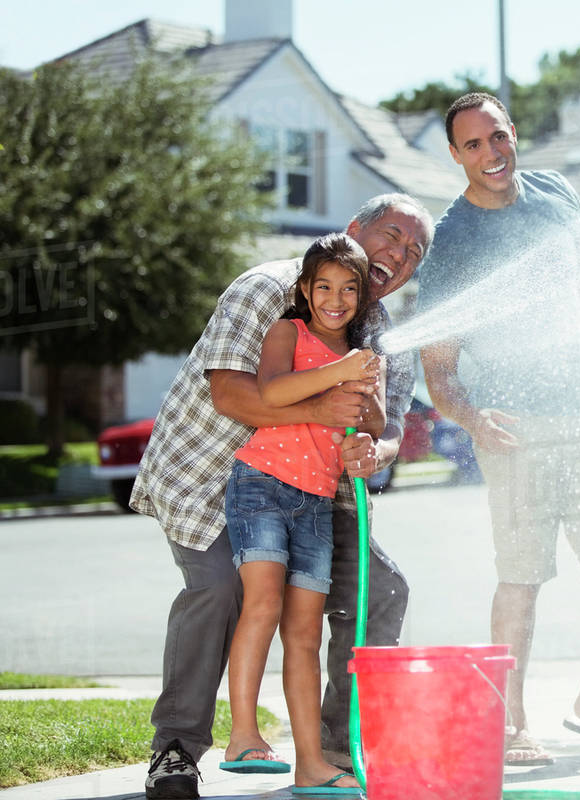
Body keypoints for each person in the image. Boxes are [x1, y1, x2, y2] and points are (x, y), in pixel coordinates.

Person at [131, 193, 433, 800]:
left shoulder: (383, 337)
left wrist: (377, 451)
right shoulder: (269, 289)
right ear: (354, 230)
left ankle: (332, 748)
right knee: (220, 588)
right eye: (391, 235)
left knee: (380, 590)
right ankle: (176, 750)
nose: (397, 255)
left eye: (413, 252)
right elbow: (233, 396)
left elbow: (390, 428)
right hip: (210, 476)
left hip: (312, 493)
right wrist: (323, 405)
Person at [418, 92, 580, 766]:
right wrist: (469, 417)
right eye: (473, 145)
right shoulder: (453, 244)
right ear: (455, 155)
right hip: (516, 429)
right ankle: (510, 723)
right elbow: (437, 366)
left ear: (513, 133)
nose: (490, 154)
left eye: (497, 137)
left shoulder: (556, 192)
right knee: (522, 577)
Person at [221, 233, 381, 792]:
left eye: (349, 289)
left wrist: (363, 425)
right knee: (262, 604)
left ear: (362, 297)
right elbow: (272, 389)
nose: (335, 299)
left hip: (315, 501)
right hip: (261, 486)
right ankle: (243, 735)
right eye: (324, 287)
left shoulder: (360, 358)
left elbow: (375, 422)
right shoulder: (288, 332)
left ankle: (311, 763)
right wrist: (343, 372)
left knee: (306, 634)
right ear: (305, 292)